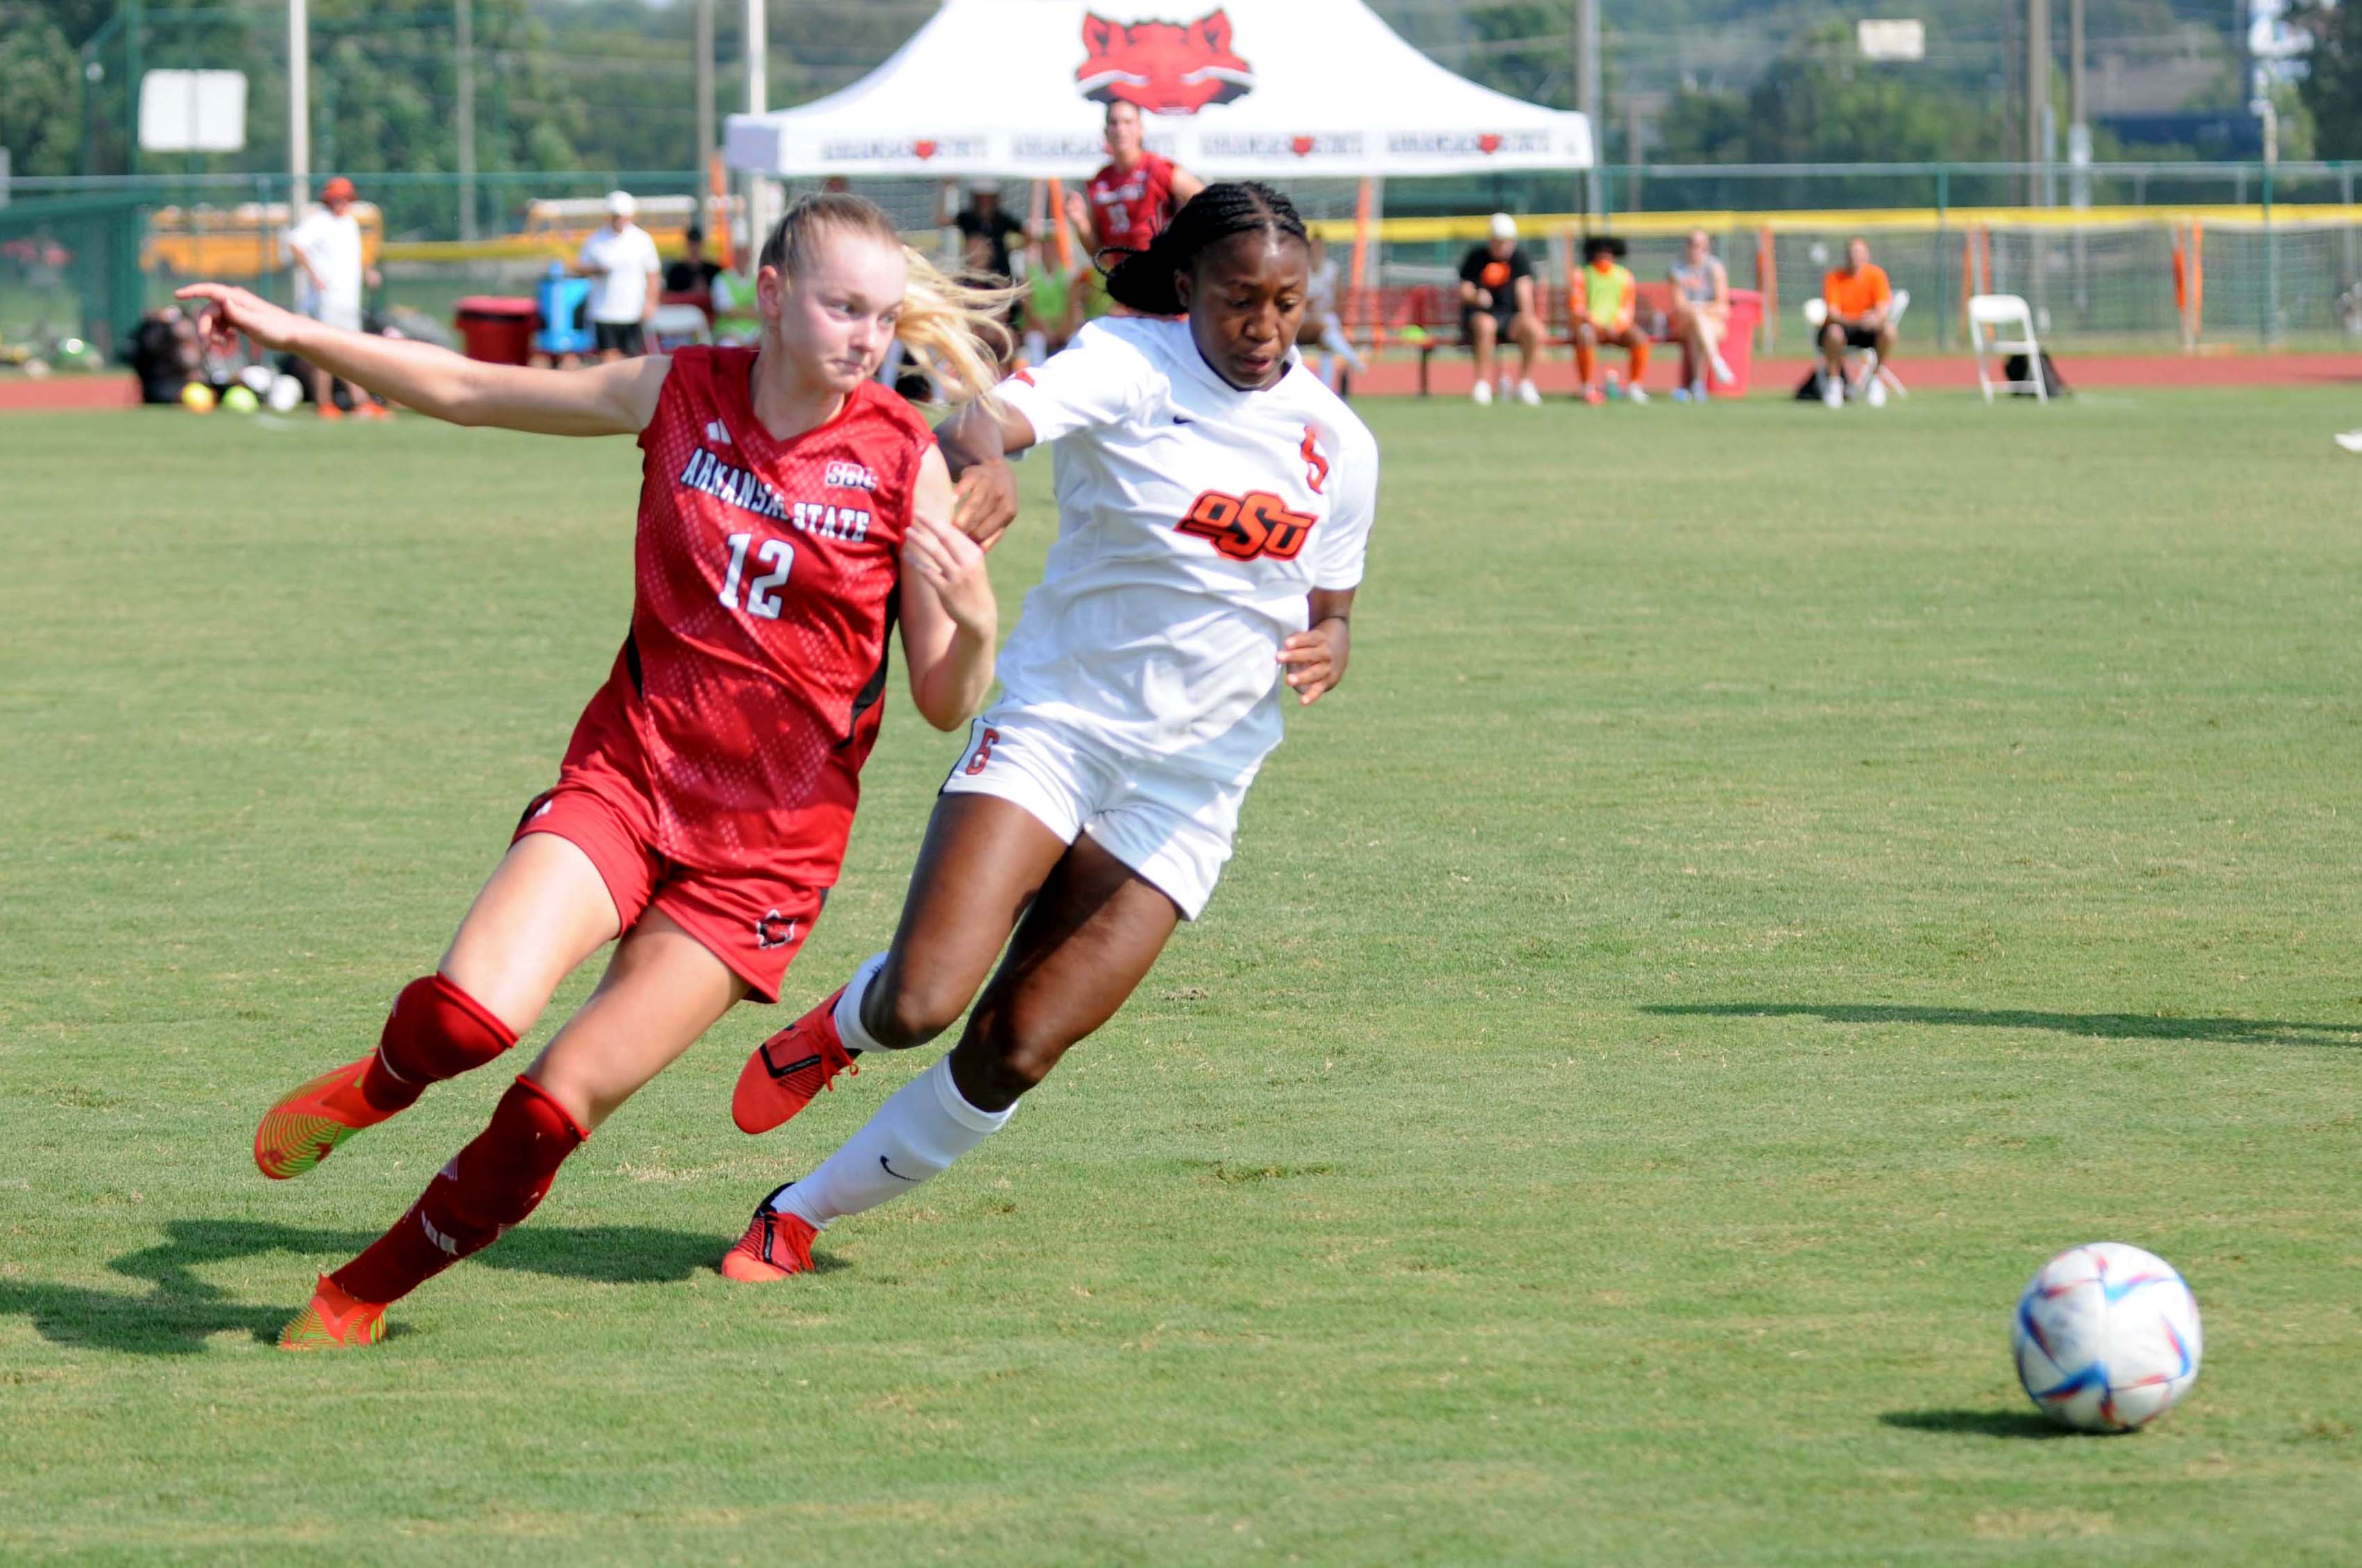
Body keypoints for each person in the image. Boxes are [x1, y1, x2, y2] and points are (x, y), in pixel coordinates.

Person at [174, 192, 1018, 1350]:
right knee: (468, 1019)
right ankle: (380, 1083)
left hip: (764, 861)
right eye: (842, 307)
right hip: (629, 781)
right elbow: (468, 389)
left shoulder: (900, 458)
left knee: (548, 1109)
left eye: (880, 315)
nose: (866, 337)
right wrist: (291, 330)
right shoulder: (678, 392)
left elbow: (941, 701)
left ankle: (357, 1294)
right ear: (772, 295)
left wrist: (976, 624)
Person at [717, 182, 1379, 1284]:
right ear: (1185, 287)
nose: (1263, 326)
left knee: (1015, 1048)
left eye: (1285, 302)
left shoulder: (1340, 442)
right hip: (1058, 728)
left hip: (1192, 788)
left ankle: (798, 1213)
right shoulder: (1127, 362)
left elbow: (1333, 604)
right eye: (1237, 299)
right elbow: (981, 421)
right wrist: (987, 464)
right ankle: (842, 1027)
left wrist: (1335, 643)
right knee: (923, 1001)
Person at [1066, 100, 1206, 278]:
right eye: (1114, 123)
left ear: (1141, 129)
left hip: (1161, 276)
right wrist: (1081, 224)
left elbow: (1206, 199)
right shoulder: (1099, 181)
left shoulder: (1158, 169)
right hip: (1123, 279)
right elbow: (1097, 252)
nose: (1121, 129)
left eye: (1128, 122)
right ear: (1106, 132)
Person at [286, 176, 385, 419]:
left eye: (345, 199)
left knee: (351, 352)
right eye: (337, 199)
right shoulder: (319, 222)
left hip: (348, 299)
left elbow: (357, 255)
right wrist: (314, 276)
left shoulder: (350, 223)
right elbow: (295, 244)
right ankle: (324, 402)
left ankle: (360, 401)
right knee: (326, 352)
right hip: (326, 300)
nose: (342, 203)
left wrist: (368, 272)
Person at [1457, 212, 1541, 406]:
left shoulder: (1519, 259)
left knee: (1532, 327)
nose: (1504, 246)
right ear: (1492, 240)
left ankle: (1525, 383)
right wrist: (1476, 296)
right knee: (1486, 325)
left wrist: (1528, 318)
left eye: (1508, 242)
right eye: (1500, 241)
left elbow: (1524, 292)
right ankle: (1482, 384)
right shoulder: (1476, 258)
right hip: (1481, 316)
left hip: (1510, 318)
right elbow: (1465, 290)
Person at [574, 191, 663, 362]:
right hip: (603, 310)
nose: (619, 221)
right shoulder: (595, 240)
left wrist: (651, 302)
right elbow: (580, 267)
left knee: (631, 359)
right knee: (609, 359)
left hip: (633, 310)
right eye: (616, 216)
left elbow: (653, 274)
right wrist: (597, 270)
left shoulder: (642, 240)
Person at [1572, 235, 1650, 406]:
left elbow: (1628, 307)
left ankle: (1635, 385)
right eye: (1600, 252)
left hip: (1617, 328)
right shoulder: (1582, 274)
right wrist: (1598, 325)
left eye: (1608, 252)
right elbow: (1578, 307)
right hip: (1592, 327)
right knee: (1585, 335)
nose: (1604, 256)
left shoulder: (1624, 276)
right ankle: (1587, 387)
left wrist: (1616, 325)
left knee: (1640, 338)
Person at [1820, 236, 1896, 408]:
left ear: (1867, 255)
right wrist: (1856, 320)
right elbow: (1833, 313)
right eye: (1852, 252)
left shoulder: (1876, 275)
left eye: (1859, 252)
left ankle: (1875, 380)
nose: (1855, 256)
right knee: (1834, 332)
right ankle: (1834, 384)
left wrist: (1874, 319)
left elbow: (1883, 311)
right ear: (1846, 255)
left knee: (1889, 331)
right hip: (1843, 329)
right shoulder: (1834, 277)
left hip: (1867, 331)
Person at [1667, 228, 1736, 403]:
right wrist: (1697, 311)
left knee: (1699, 327)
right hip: (1685, 323)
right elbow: (1680, 306)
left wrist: (1699, 309)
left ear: (1706, 247)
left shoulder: (1715, 268)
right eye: (1691, 244)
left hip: (1713, 325)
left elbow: (1722, 304)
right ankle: (1715, 362)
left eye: (1699, 245)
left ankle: (1698, 385)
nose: (1695, 249)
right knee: (1697, 322)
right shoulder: (1678, 270)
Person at [1305, 233, 1366, 397]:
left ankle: (1325, 389)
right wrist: (1309, 305)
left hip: (1326, 318)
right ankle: (1351, 357)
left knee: (1327, 337)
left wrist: (1326, 309)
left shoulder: (1332, 269)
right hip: (1304, 321)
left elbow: (1339, 301)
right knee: (1325, 330)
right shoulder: (1302, 270)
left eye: (1319, 247)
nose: (1316, 251)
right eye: (1313, 247)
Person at [665, 224, 724, 295]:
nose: (694, 247)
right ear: (686, 244)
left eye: (696, 243)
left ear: (702, 244)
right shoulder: (676, 272)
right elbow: (671, 296)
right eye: (691, 243)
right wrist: (691, 292)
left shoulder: (714, 271)